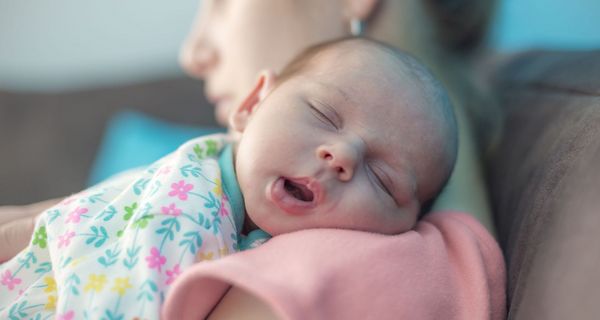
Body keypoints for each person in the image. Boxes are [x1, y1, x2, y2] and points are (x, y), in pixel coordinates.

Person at [0, 0, 502, 318]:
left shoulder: (390, 258)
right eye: (324, 113)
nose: (192, 52)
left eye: (219, 3)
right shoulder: (217, 175)